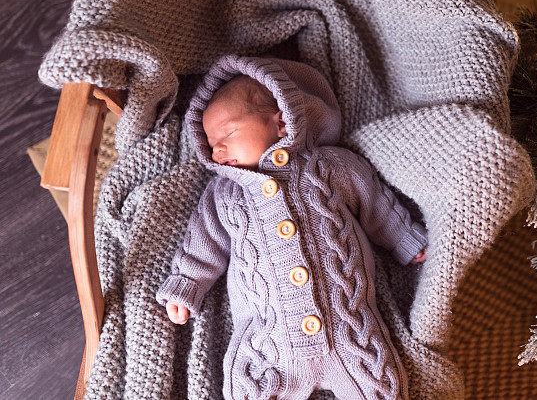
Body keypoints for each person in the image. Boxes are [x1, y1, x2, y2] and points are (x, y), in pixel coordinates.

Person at [156, 54, 427, 400]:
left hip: (350, 332)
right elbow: (202, 242)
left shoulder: (328, 166)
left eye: (228, 132)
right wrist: (187, 283)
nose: (218, 147)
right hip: (268, 345)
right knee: (243, 390)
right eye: (211, 143)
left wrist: (403, 237)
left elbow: (373, 201)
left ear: (281, 122)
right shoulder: (223, 195)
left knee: (383, 389)